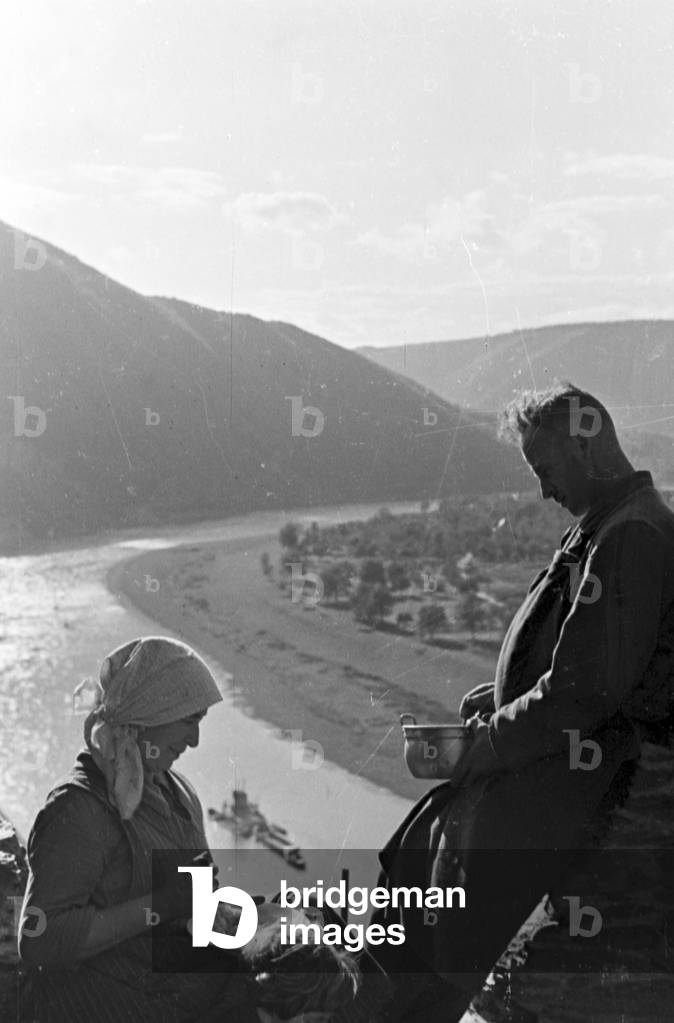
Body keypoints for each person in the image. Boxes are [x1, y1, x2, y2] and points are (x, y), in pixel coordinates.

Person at [370, 382, 674, 1022]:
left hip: (613, 783)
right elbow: (579, 657)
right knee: (426, 861)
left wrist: (491, 742)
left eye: (547, 469)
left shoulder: (632, 535)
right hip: (583, 764)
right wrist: (504, 694)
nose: (543, 490)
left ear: (586, 448)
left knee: (449, 887)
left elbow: (581, 693)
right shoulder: (611, 524)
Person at [17, 635, 260, 1023]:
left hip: (160, 988)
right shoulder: (77, 808)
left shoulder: (177, 792)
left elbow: (189, 909)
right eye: (188, 721)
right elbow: (41, 941)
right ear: (149, 712)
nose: (194, 742)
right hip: (91, 1005)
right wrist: (163, 904)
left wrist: (229, 912)